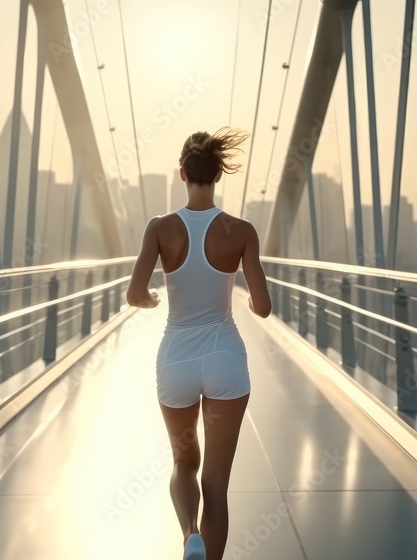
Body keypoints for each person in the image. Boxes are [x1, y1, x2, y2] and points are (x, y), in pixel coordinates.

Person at [126, 127, 272, 560]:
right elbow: (262, 308)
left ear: (182, 173)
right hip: (225, 357)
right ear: (217, 175)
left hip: (176, 360)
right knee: (216, 485)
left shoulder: (160, 228)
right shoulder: (241, 230)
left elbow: (135, 294)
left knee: (183, 465)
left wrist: (153, 298)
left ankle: (190, 534)